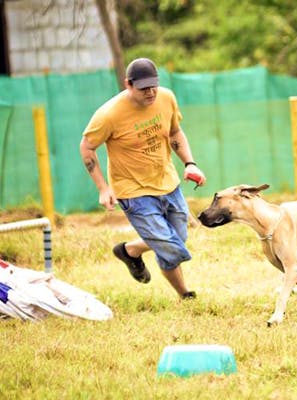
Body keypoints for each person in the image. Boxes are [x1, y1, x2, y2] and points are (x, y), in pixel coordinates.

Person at [79, 57, 206, 300]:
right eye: (144, 88)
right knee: (168, 245)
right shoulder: (108, 114)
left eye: (153, 86)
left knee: (177, 238)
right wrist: (103, 188)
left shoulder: (166, 97)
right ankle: (185, 294)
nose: (151, 92)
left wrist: (190, 163)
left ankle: (130, 251)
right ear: (128, 84)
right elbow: (86, 147)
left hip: (168, 183)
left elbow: (175, 132)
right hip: (133, 191)